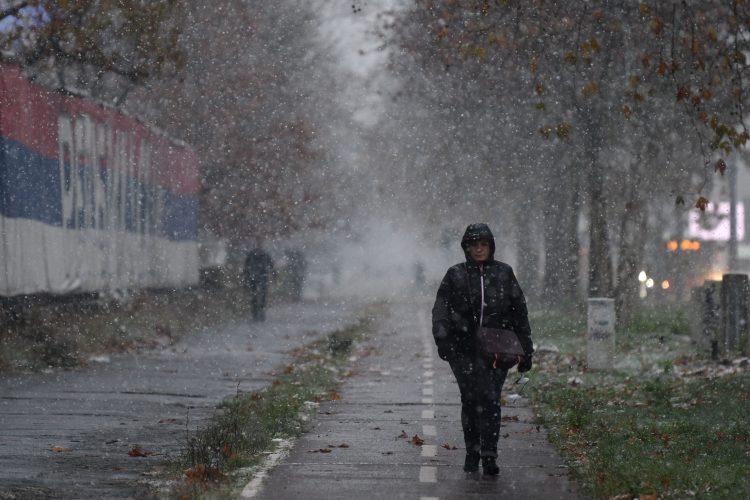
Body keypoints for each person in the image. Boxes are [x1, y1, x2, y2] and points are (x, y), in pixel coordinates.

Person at [431, 223, 534, 475]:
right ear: (466, 248)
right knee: (470, 400)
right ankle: (472, 452)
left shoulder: (504, 273)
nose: (478, 249)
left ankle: (489, 455)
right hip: (463, 350)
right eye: (473, 245)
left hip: (497, 351)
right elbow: (441, 309)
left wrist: (526, 349)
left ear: (490, 246)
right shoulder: (455, 275)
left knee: (490, 401)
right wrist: (442, 338)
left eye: (483, 244)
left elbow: (519, 312)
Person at [243, 246, 274, 321]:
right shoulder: (251, 255)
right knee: (254, 296)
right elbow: (246, 267)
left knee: (262, 295)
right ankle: (255, 312)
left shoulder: (264, 255)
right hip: (253, 277)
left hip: (261, 277)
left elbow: (271, 265)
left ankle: (260, 311)